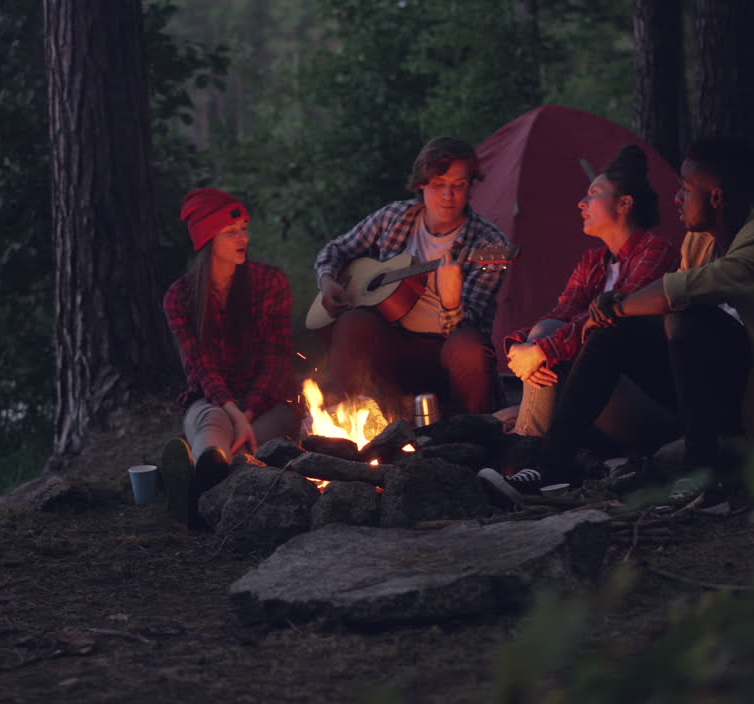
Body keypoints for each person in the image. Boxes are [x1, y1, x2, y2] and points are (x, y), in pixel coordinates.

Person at [519, 136, 754, 492]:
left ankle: (700, 476)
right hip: (718, 397)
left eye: (685, 189)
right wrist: (614, 313)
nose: (676, 198)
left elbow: (678, 293)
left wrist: (615, 304)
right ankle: (551, 465)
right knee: (615, 333)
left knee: (685, 320)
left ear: (716, 197)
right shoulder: (698, 241)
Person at [314, 136, 512, 419]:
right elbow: (336, 249)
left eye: (459, 186)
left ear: (470, 187)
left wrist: (452, 301)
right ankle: (341, 422)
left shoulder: (489, 244)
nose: (448, 195)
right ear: (421, 184)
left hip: (446, 354)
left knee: (469, 347)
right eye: (438, 185)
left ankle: (472, 436)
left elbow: (466, 330)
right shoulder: (394, 217)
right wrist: (327, 279)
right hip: (393, 344)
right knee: (354, 322)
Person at [504, 145, 679, 438]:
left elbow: (608, 322)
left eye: (594, 193)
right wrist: (518, 348)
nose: (581, 203)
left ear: (624, 204)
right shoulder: (592, 263)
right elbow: (559, 316)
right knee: (542, 337)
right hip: (592, 400)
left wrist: (542, 351)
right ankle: (528, 439)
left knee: (547, 348)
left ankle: (528, 448)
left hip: (645, 403)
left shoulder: (656, 253)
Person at [161, 188, 300, 527]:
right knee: (212, 422)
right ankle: (206, 464)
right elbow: (199, 367)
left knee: (252, 440)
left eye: (244, 228)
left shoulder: (270, 282)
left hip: (268, 403)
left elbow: (276, 359)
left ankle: (194, 488)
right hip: (213, 401)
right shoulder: (179, 297)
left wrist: (247, 411)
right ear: (208, 239)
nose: (243, 238)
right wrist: (233, 411)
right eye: (231, 232)